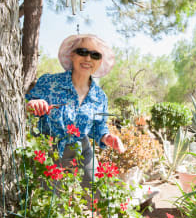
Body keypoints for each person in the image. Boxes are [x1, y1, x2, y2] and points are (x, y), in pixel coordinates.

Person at [25, 34, 125, 189]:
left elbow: (98, 126)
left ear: (99, 62)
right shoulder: (49, 82)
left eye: (95, 55)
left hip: (81, 148)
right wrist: (32, 103)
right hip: (49, 150)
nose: (88, 59)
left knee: (99, 193)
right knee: (51, 203)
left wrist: (106, 137)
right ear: (72, 54)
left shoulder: (100, 97)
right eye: (82, 52)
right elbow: (22, 105)